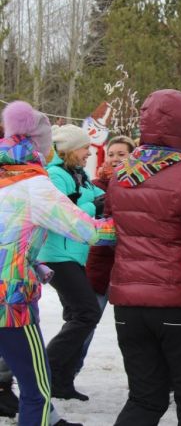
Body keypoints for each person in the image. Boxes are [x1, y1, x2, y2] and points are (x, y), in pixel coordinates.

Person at [107, 89, 181, 426]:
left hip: (129, 307)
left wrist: (99, 283)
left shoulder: (121, 176)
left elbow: (108, 236)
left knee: (145, 399)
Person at [0, 100, 114, 426]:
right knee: (37, 389)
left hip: (15, 287)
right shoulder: (34, 185)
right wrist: (130, 228)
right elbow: (84, 230)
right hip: (10, 301)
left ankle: (50, 419)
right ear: (40, 145)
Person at [36, 124, 106, 401]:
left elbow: (82, 202)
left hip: (74, 253)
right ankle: (46, 370)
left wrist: (97, 200)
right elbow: (60, 212)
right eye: (84, 148)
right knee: (86, 313)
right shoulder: (54, 174)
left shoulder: (79, 174)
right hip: (56, 255)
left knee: (76, 315)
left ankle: (61, 382)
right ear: (67, 150)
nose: (89, 153)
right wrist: (95, 206)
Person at [79, 135, 136, 372]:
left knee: (134, 330)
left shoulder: (139, 185)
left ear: (133, 156)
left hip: (131, 268)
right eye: (111, 154)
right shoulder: (95, 185)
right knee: (85, 322)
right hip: (100, 264)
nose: (114, 159)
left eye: (121, 155)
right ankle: (67, 373)